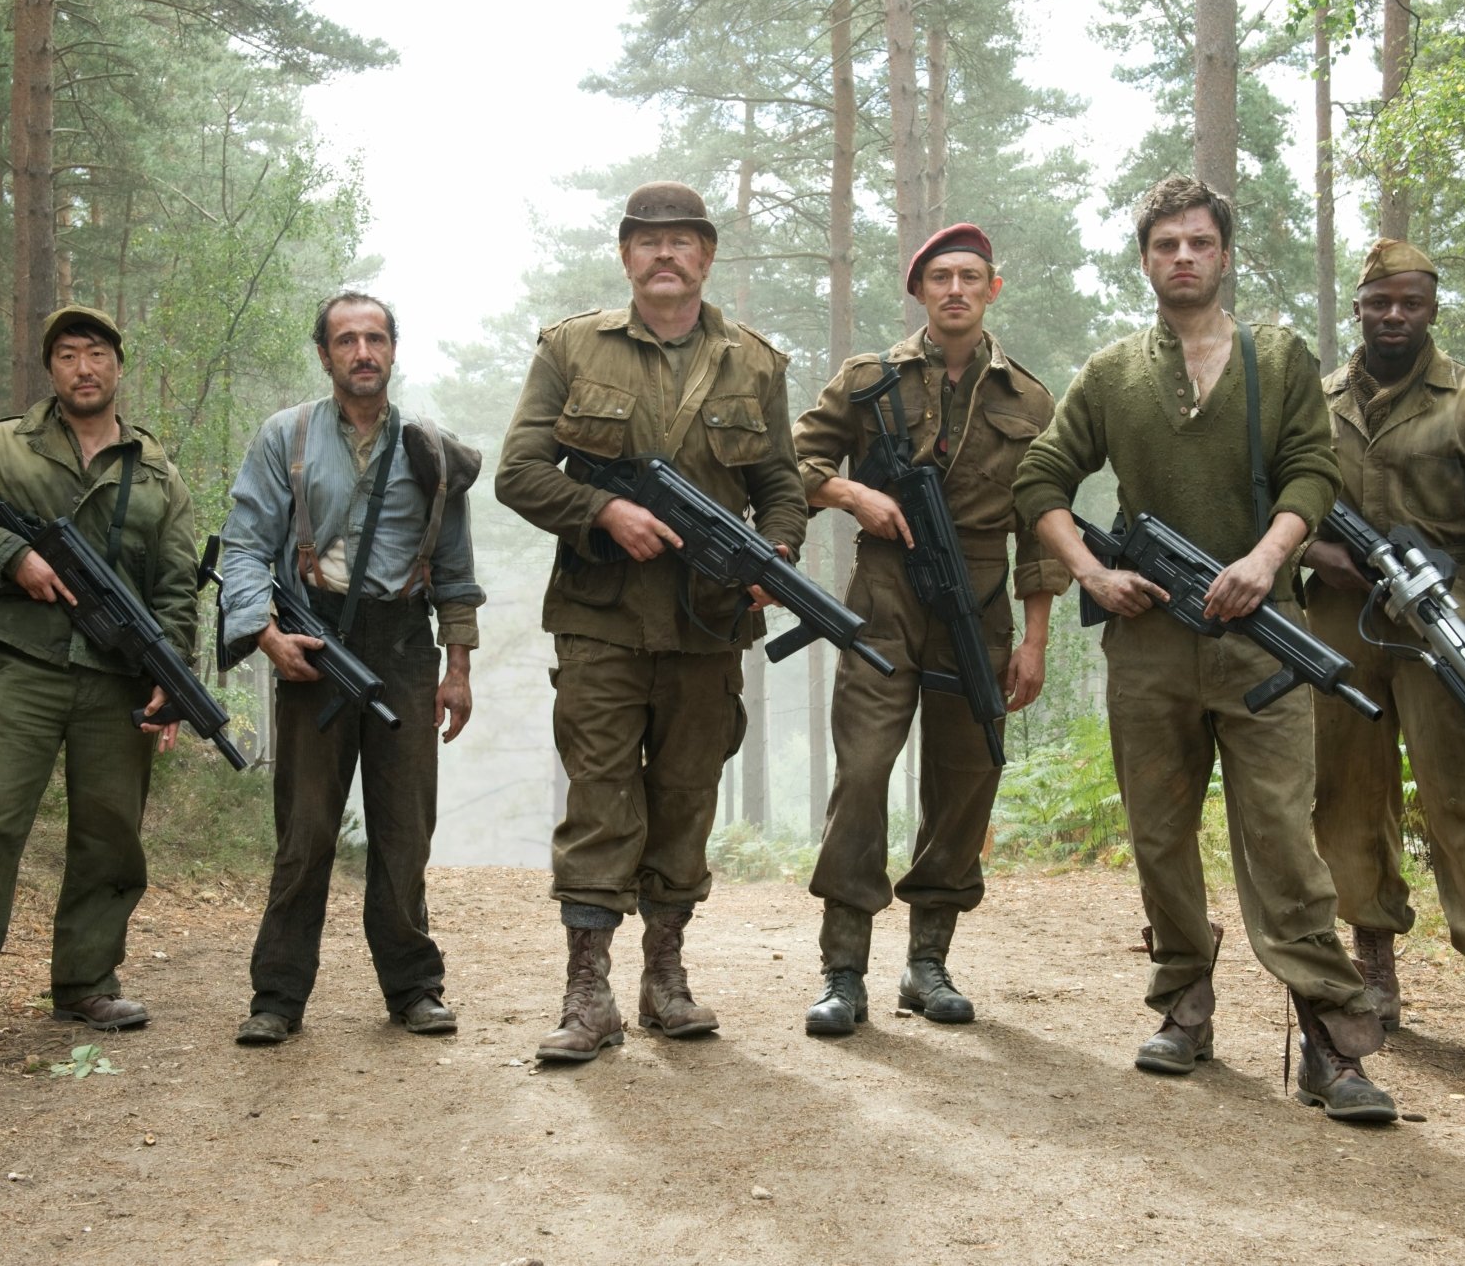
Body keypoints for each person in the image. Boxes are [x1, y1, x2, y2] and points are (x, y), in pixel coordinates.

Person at [1012, 176, 1397, 1122]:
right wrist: (1092, 577)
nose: (1182, 257)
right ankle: (1184, 1005)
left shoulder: (1279, 358)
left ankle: (1332, 1041)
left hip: (1262, 643)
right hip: (1148, 644)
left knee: (1281, 840)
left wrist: (1269, 559)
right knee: (1158, 831)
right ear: (1144, 261)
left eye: (1199, 243)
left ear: (1224, 255)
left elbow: (1315, 469)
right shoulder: (1112, 373)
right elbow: (1041, 475)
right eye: (1165, 245)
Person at [496, 181, 808, 1063]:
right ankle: (587, 994)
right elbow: (519, 472)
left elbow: (782, 484)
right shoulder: (571, 348)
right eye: (648, 241)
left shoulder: (755, 363)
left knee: (685, 797)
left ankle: (664, 977)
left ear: (706, 258)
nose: (665, 255)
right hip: (601, 621)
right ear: (626, 256)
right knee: (600, 795)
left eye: (683, 242)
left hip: (708, 626)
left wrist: (774, 552)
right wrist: (603, 512)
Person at [0, 306, 197, 1059]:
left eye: (96, 353)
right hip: (27, 670)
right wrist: (12, 557)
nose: (83, 368)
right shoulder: (4, 446)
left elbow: (176, 582)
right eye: (67, 354)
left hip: (117, 682)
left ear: (118, 366)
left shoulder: (154, 467)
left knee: (109, 838)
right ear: (52, 369)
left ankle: (86, 984)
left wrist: (173, 672)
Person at [1301, 238, 1465, 1088]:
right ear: (1359, 309)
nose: (1394, 316)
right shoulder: (1319, 402)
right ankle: (1373, 978)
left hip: (1448, 626)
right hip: (1344, 623)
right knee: (1347, 798)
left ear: (1432, 310)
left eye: (1410, 303)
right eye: (1380, 302)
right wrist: (1317, 553)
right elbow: (1281, 499)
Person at [790, 222, 1064, 1035]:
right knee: (865, 771)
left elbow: (1040, 524)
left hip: (977, 598)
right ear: (919, 291)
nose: (954, 289)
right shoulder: (868, 377)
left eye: (969, 277)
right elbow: (793, 462)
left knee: (966, 776)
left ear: (992, 289)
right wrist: (852, 497)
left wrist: (1035, 638)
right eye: (940, 276)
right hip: (885, 589)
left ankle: (927, 962)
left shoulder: (1030, 398)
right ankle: (844, 970)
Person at [221, 292, 484, 1046]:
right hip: (314, 639)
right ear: (324, 354)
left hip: (403, 642)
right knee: (305, 831)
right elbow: (244, 543)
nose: (362, 351)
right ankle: (276, 997)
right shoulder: (287, 436)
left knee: (406, 829)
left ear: (394, 351)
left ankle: (414, 989)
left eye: (375, 338)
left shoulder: (432, 449)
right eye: (346, 340)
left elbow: (457, 571)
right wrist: (266, 635)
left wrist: (457, 667)